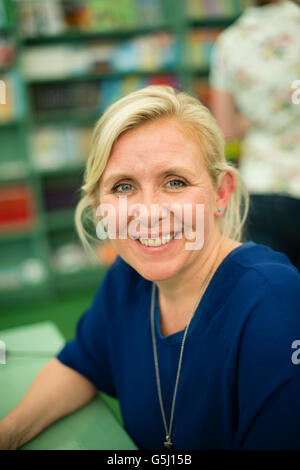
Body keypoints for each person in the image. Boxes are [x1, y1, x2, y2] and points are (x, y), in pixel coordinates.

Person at [1, 85, 300, 451]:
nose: (148, 212)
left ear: (220, 193)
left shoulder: (272, 302)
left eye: (175, 182)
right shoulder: (127, 279)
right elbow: (80, 366)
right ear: (99, 207)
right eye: (123, 186)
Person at [209, 0, 300, 271]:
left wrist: (251, 121)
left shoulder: (229, 43)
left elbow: (225, 130)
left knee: (280, 297)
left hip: (259, 189)